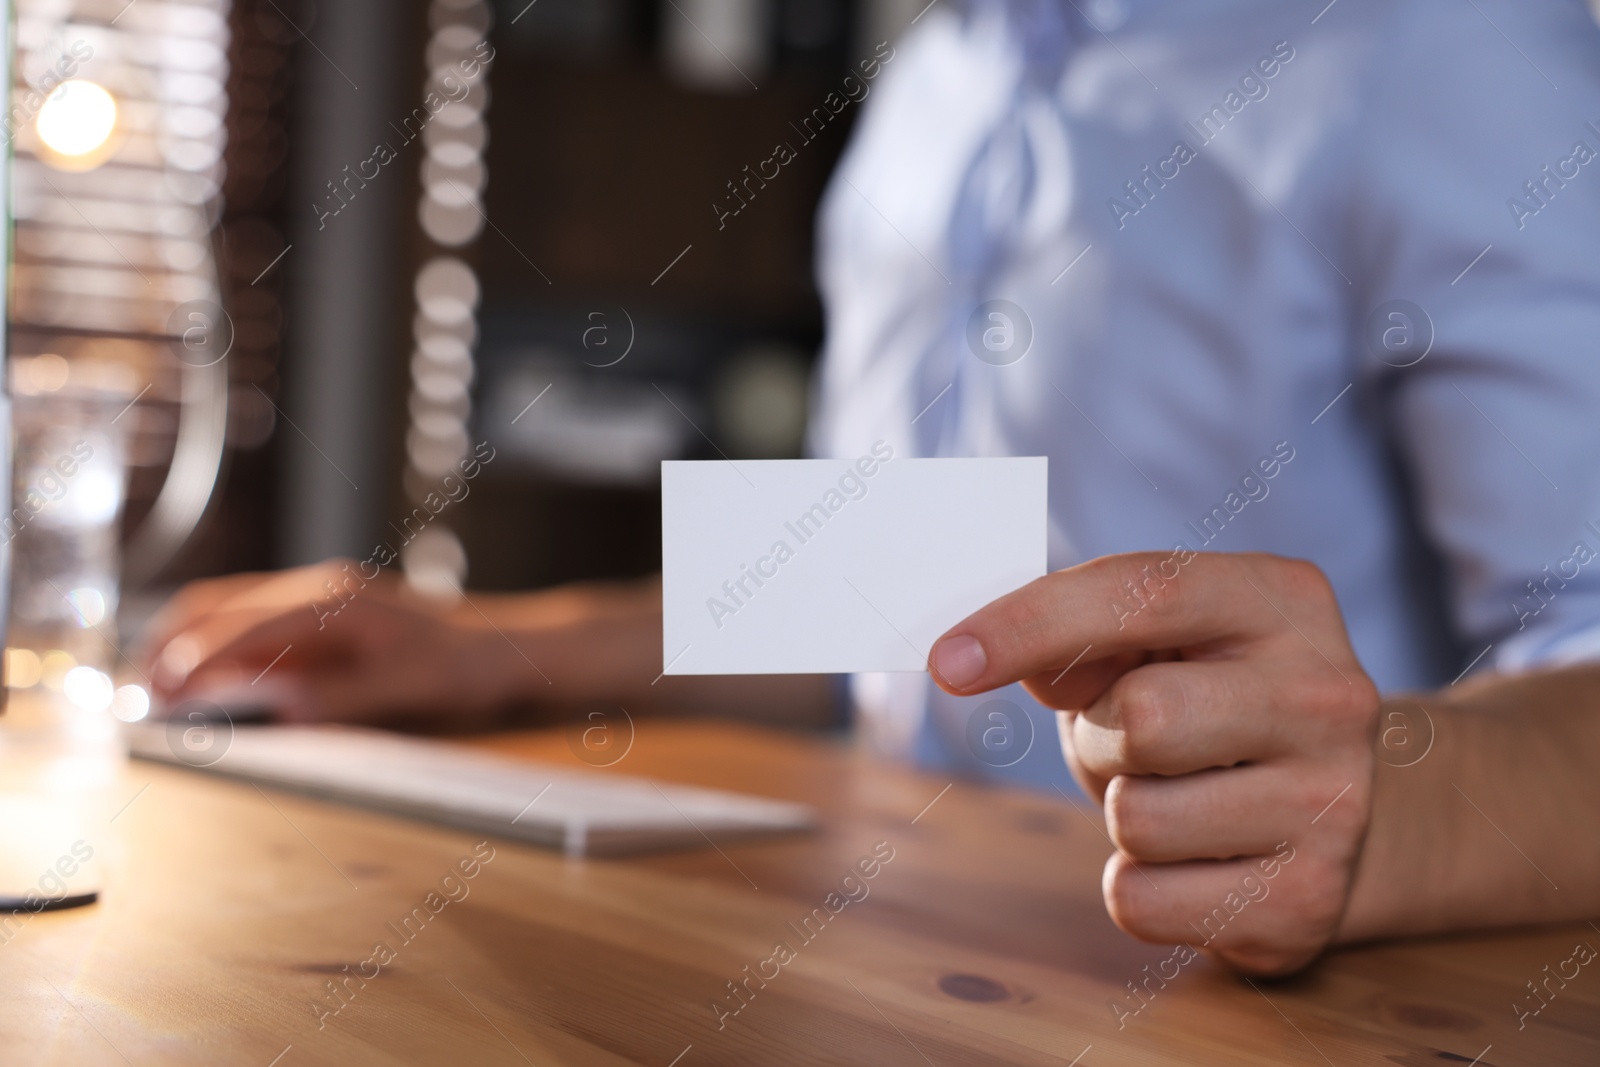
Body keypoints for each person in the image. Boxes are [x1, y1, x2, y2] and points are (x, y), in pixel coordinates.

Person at [140, 0, 1600, 976]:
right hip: (892, 969)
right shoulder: (940, 75)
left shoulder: (1463, 52)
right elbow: (921, 594)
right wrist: (496, 646)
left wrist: (1386, 817)